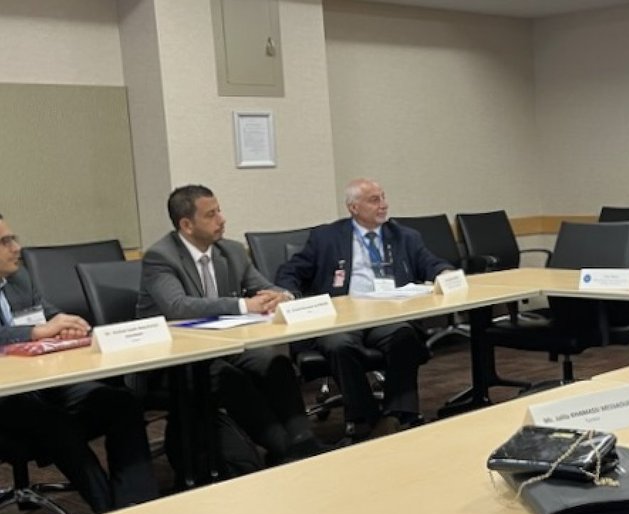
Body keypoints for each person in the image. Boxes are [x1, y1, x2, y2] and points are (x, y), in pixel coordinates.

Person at [136, 185, 322, 467]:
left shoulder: (231, 251)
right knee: (229, 378)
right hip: (171, 358)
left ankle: (304, 441)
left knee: (274, 363)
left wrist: (282, 296)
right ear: (186, 225)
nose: (221, 219)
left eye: (219, 211)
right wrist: (243, 305)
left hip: (222, 345)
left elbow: (266, 288)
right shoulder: (160, 257)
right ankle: (284, 450)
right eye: (211, 215)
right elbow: (177, 307)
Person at [0, 214, 158, 512]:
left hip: (44, 384)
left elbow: (49, 315)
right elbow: (30, 329)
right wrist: (33, 332)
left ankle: (137, 504)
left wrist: (66, 325)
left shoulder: (19, 279)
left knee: (120, 403)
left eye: (14, 238)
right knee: (55, 423)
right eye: (5, 242)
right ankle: (107, 511)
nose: (17, 247)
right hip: (6, 401)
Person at [275, 179, 452, 441]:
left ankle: (398, 414)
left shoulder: (405, 236)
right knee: (338, 345)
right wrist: (287, 294)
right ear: (353, 207)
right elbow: (290, 272)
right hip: (343, 317)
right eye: (374, 200)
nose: (383, 205)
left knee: (405, 336)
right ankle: (365, 419)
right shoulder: (326, 237)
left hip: (387, 313)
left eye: (383, 197)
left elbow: (431, 263)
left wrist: (444, 273)